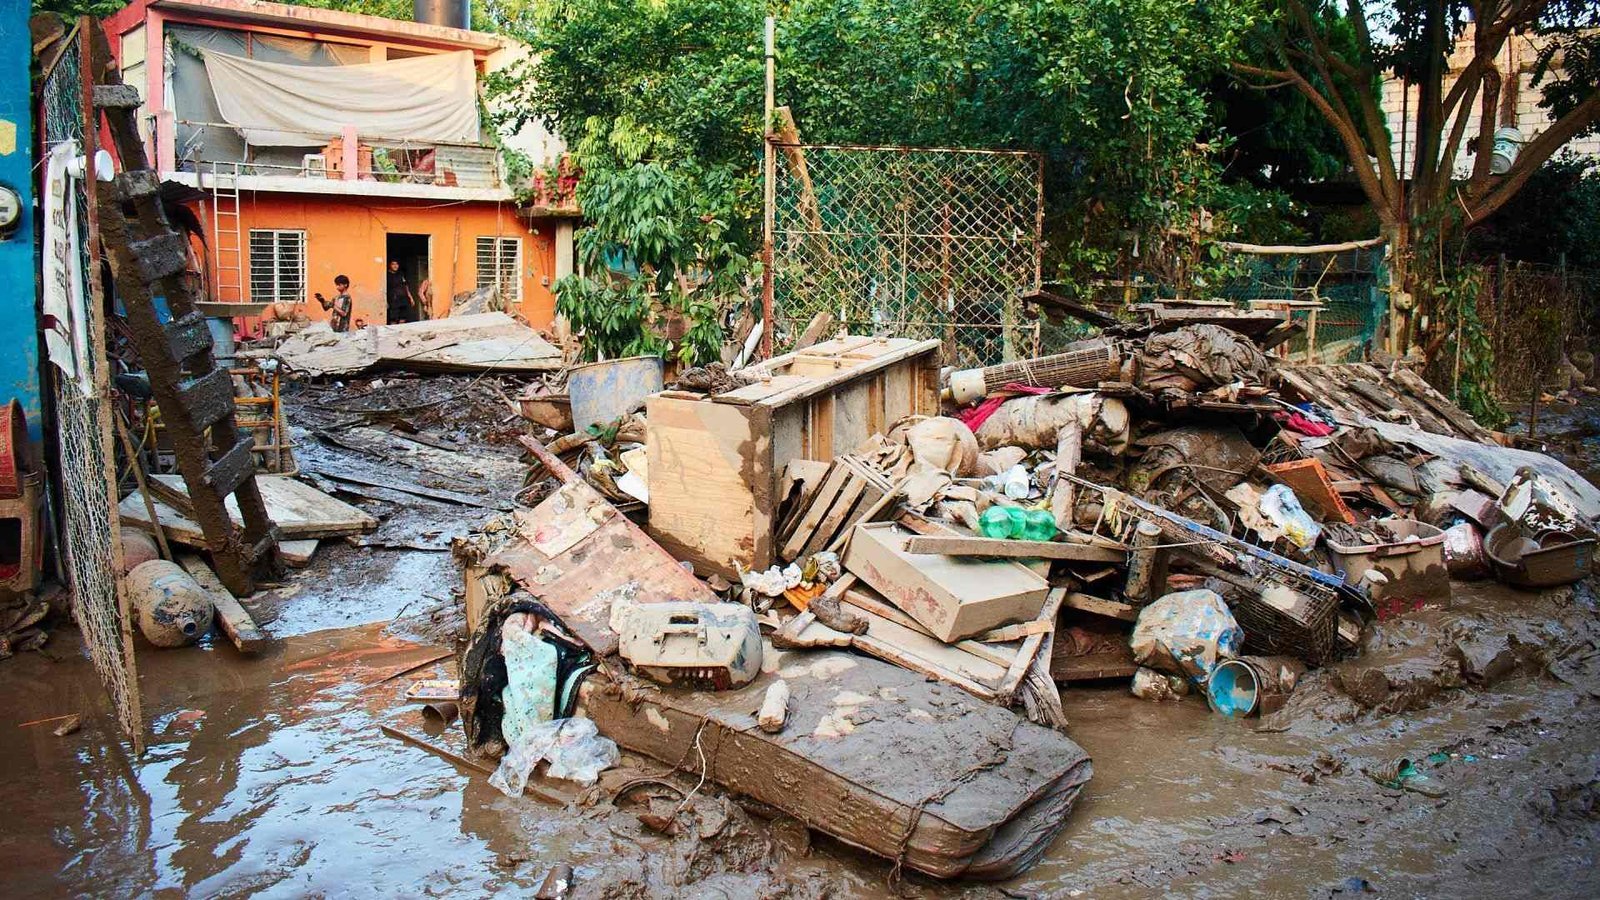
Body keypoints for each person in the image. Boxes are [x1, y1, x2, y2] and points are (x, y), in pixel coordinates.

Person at [386, 259, 418, 324]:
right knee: (393, 318)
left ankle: (401, 332)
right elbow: (385, 288)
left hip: (403, 298)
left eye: (397, 264)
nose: (395, 266)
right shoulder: (387, 275)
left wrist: (410, 297)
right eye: (393, 264)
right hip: (393, 299)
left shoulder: (400, 274)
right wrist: (385, 301)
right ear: (390, 265)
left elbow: (405, 286)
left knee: (403, 317)